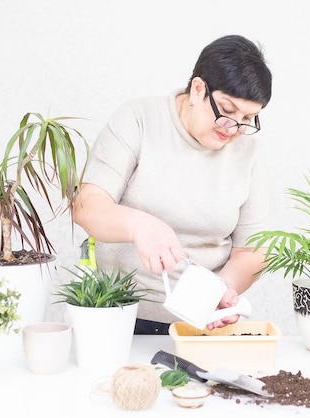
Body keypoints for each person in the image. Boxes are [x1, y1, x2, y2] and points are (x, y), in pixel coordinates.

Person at [72, 34, 273, 335]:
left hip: (200, 324)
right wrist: (138, 226)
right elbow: (87, 206)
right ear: (197, 89)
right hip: (118, 317)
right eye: (227, 112)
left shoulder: (249, 153)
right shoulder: (138, 119)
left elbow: (252, 251)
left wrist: (218, 291)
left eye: (248, 119)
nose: (234, 129)